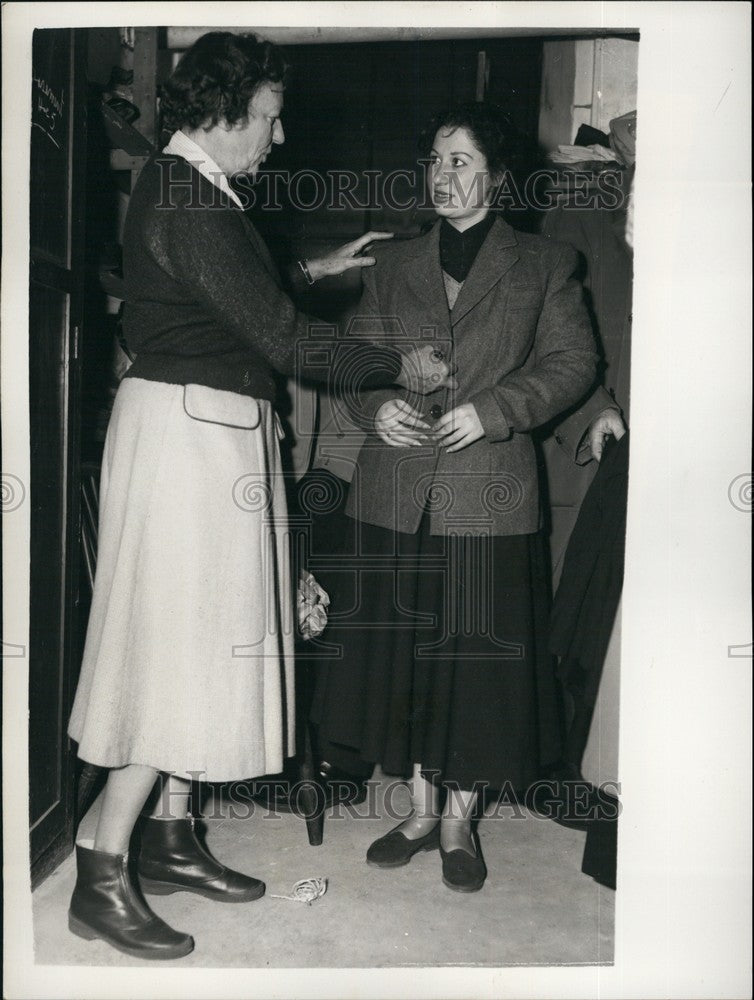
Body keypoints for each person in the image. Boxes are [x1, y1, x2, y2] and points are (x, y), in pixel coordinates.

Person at [66, 31, 451, 961]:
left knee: (206, 640)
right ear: (225, 110)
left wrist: (319, 268)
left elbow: (235, 295)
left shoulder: (195, 189)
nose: (278, 138)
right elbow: (280, 335)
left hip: (210, 428)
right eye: (271, 117)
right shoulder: (187, 194)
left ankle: (168, 836)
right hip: (190, 436)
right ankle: (99, 859)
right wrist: (391, 368)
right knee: (180, 646)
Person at [311, 101, 598, 893]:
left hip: (489, 495)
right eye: (436, 162)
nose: (444, 176)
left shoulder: (545, 265)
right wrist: (379, 407)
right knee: (403, 656)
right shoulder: (395, 263)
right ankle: (417, 806)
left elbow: (574, 363)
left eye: (462, 162)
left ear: (498, 177)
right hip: (395, 490)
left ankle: (459, 819)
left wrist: (496, 410)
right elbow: (355, 364)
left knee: (474, 663)